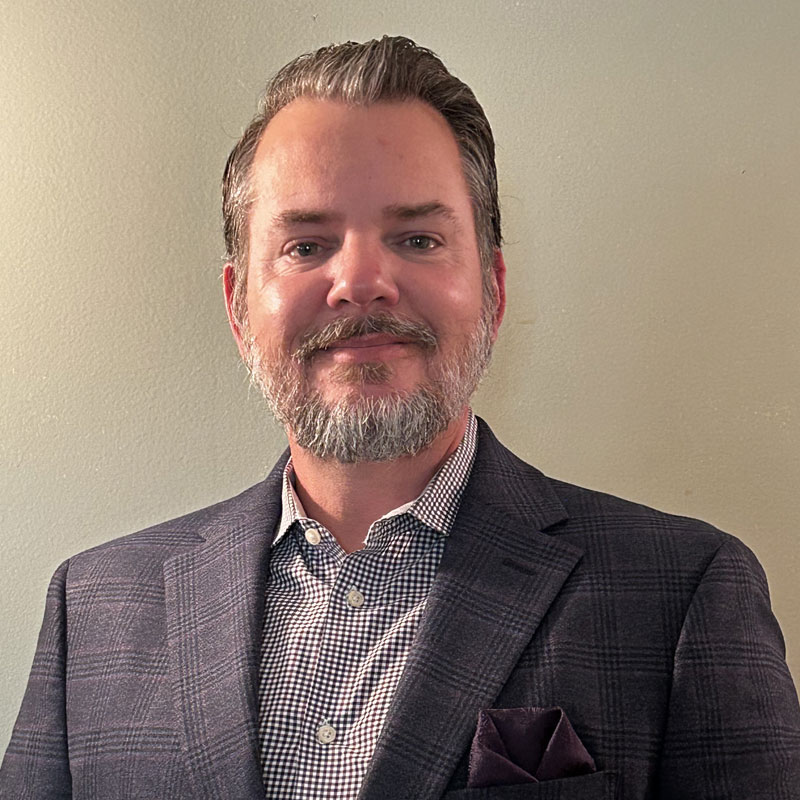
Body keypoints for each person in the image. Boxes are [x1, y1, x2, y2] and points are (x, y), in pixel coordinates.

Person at [2, 35, 799, 800]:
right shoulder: (93, 609)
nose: (360, 281)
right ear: (239, 308)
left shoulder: (683, 593)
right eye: (306, 246)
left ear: (493, 291)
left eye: (417, 238)